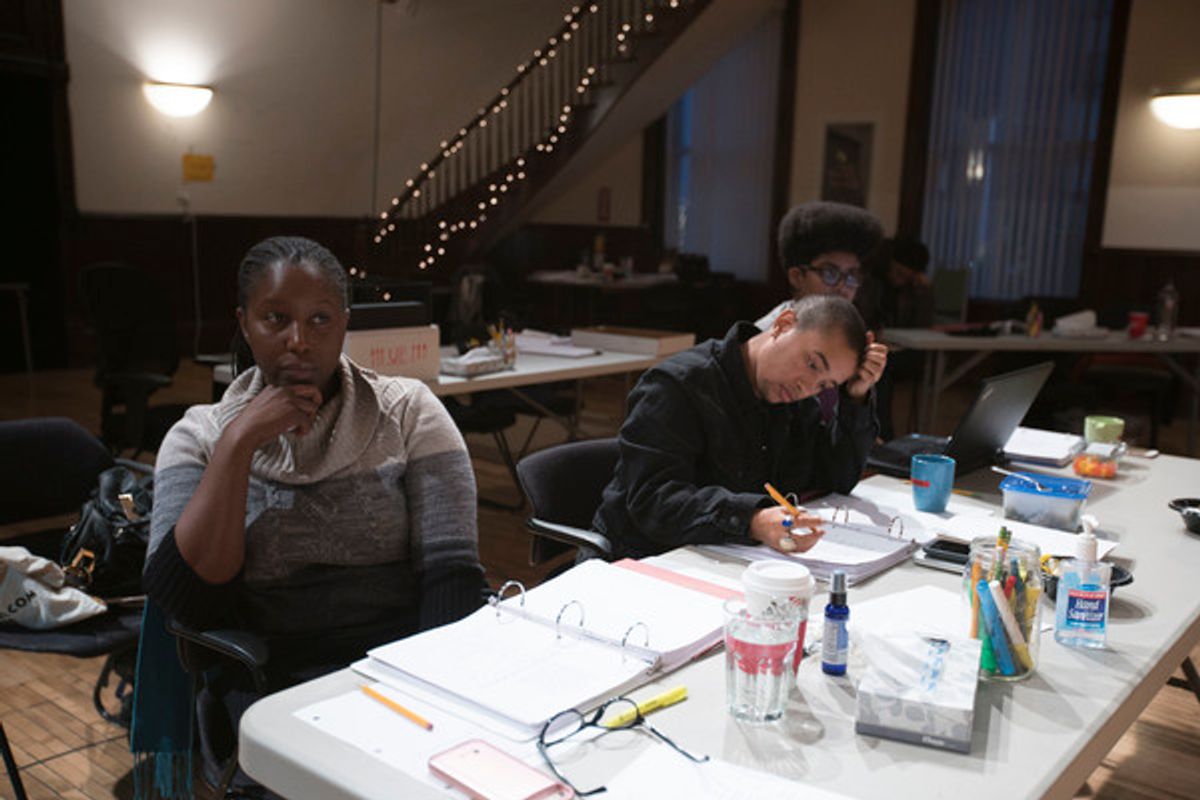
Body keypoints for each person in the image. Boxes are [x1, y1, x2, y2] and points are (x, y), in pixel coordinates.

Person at [144, 235, 485, 686]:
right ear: (245, 324)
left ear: (344, 325)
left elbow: (452, 577)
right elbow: (188, 601)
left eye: (320, 319)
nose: (299, 341)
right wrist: (238, 442)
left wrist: (431, 690)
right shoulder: (198, 436)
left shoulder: (408, 411)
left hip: (402, 667)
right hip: (268, 677)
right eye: (275, 319)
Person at [592, 295, 886, 560]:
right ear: (784, 324)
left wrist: (855, 398)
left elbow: (833, 479)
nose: (806, 387)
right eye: (811, 364)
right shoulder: (678, 385)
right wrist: (753, 520)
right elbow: (653, 501)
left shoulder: (793, 401)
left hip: (727, 560)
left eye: (825, 385)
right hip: (641, 561)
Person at [755, 201, 885, 331]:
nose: (842, 287)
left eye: (851, 275)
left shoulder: (851, 331)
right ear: (797, 277)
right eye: (830, 273)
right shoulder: (766, 335)